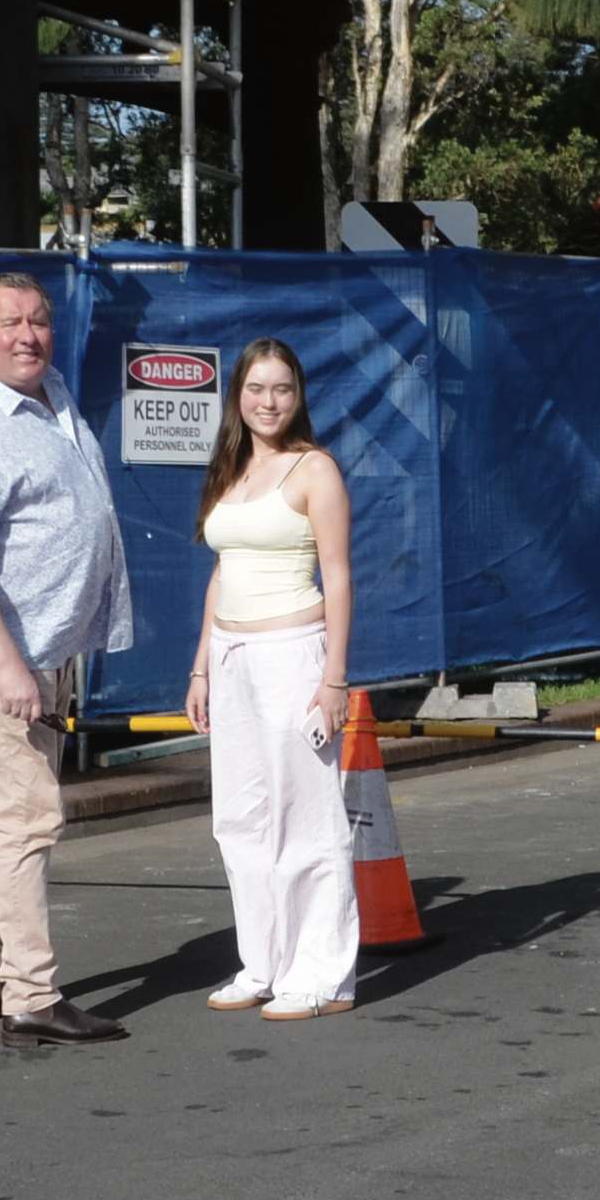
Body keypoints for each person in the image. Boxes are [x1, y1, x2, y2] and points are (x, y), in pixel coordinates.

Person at [0, 268, 132, 1047]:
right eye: (10, 323)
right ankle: (31, 995)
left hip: (45, 650)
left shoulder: (52, 396)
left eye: (38, 320)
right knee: (31, 814)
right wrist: (6, 663)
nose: (28, 335)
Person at [182, 339, 360, 1020]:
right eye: (257, 388)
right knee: (241, 819)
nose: (269, 401)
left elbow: (339, 576)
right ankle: (264, 963)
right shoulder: (231, 472)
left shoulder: (315, 470)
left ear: (298, 395)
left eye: (282, 389)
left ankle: (321, 976)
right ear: (238, 396)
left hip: (295, 655)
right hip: (230, 661)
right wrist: (201, 666)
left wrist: (334, 678)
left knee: (307, 818)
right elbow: (222, 572)